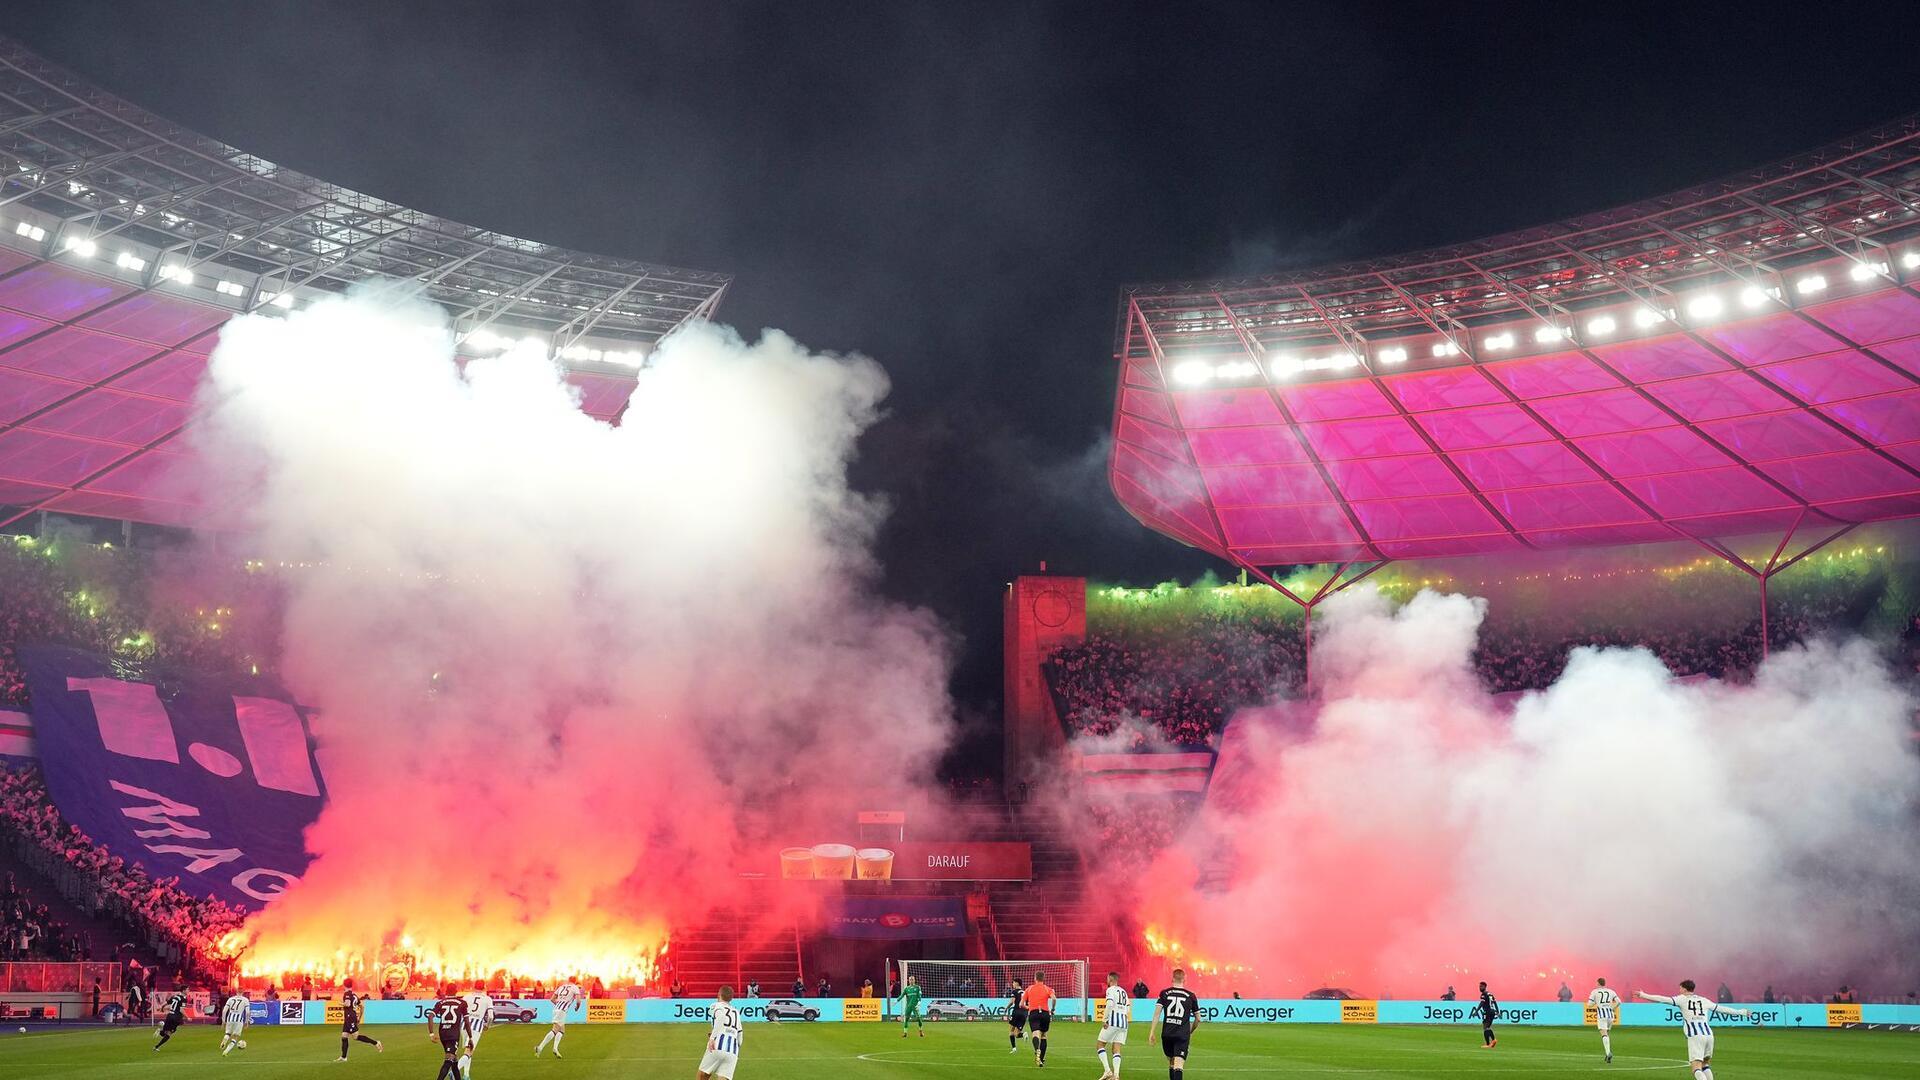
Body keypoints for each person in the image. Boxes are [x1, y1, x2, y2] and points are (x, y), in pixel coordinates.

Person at [1638, 979, 1755, 1080]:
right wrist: (1741, 1012)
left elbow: (1662, 999)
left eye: (1680, 989)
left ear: (1684, 989)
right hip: (1709, 1035)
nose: (1679, 991)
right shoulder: (1704, 1000)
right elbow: (1722, 1009)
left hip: (1696, 1036)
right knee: (1705, 1064)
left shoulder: (1682, 999)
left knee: (1696, 1067)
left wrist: (1644, 995)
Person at [1149, 967, 1200, 1080]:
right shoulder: (1191, 995)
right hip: (1182, 1034)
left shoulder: (1164, 993)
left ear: (1172, 979)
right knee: (1178, 1064)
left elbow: (1157, 1014)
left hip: (1167, 1034)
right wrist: (1190, 1031)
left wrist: (1152, 1032)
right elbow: (1198, 1018)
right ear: (1184, 979)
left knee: (1172, 1062)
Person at [697, 985, 744, 1080]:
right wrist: (736, 1048)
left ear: (719, 994)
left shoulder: (716, 1006)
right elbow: (740, 1034)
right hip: (733, 1050)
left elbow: (721, 1019)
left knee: (702, 1076)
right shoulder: (736, 1011)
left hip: (717, 1045)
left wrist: (712, 1038)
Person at [426, 989, 470, 1080]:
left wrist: (431, 1034)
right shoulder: (462, 1003)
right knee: (449, 1059)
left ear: (446, 991)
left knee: (454, 1061)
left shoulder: (440, 1002)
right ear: (456, 991)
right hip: (453, 1035)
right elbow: (466, 1021)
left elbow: (430, 1016)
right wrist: (470, 1037)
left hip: (443, 1033)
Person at [337, 979, 384, 1060]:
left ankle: (376, 1043)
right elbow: (362, 1006)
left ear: (344, 985)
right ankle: (343, 1057)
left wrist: (340, 1003)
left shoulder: (347, 994)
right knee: (344, 1036)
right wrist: (359, 1017)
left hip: (350, 1017)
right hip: (351, 1017)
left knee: (355, 1037)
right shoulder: (354, 995)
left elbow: (347, 1004)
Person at [536, 975, 582, 1058]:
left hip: (556, 1009)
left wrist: (559, 1005)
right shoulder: (575, 987)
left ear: (568, 980)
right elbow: (578, 1001)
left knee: (562, 1030)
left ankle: (555, 1049)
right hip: (562, 1010)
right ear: (575, 981)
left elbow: (552, 999)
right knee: (555, 1029)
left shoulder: (561, 987)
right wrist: (577, 1007)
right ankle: (540, 1047)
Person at [1096, 971, 1130, 1078]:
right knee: (1116, 1049)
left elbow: (1110, 1004)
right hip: (1123, 1023)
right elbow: (1128, 1007)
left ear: (1110, 979)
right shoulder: (1123, 991)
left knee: (1100, 1045)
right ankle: (1116, 1075)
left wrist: (1105, 1019)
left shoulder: (1110, 990)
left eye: (1107, 978)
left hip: (1113, 1021)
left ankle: (1107, 1071)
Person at [1023, 972, 1057, 1066]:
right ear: (1043, 978)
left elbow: (1021, 1004)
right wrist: (1053, 1009)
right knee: (1043, 1036)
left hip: (1034, 1013)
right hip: (1045, 1013)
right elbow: (1054, 999)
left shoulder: (1029, 989)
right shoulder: (1047, 988)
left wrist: (1028, 1007)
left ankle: (1037, 1049)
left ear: (1035, 978)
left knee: (1035, 1034)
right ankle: (1041, 1059)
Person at [461, 984, 495, 1078]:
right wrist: (487, 1025)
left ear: (474, 987)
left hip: (464, 1024)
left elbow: (459, 1011)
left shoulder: (467, 996)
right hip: (476, 1026)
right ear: (484, 988)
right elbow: (491, 1016)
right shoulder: (487, 999)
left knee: (467, 1050)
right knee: (469, 1051)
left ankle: (466, 1075)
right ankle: (454, 1070)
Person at [1587, 977, 1621, 1063]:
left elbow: (1589, 1005)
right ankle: (1607, 1054)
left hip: (1602, 1015)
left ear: (1598, 983)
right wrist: (1613, 1008)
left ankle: (1608, 1053)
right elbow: (1619, 1002)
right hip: (1610, 1015)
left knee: (1604, 1034)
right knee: (1607, 1034)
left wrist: (1596, 1002)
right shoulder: (1611, 991)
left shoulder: (1594, 992)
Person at [218, 991, 250, 1056]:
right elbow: (247, 1012)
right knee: (235, 1036)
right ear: (242, 992)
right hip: (238, 1020)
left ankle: (226, 1038)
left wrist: (223, 1021)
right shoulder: (245, 1000)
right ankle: (225, 1052)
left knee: (228, 1033)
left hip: (230, 1018)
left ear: (236, 992)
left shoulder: (230, 999)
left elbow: (224, 1010)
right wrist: (246, 1022)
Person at [1006, 978, 1028, 1054]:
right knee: (1017, 1034)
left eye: (1013, 983)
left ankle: (1014, 1048)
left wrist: (1006, 1008)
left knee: (1011, 1031)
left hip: (1016, 1012)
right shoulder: (1025, 992)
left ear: (1017, 983)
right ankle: (1023, 1034)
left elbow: (1012, 1002)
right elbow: (1028, 1004)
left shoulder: (1014, 991)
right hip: (1024, 1013)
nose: (1013, 984)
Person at [900, 973, 925, 1039]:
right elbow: (901, 996)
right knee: (906, 1019)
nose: (911, 980)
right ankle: (905, 1033)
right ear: (908, 980)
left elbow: (919, 996)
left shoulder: (917, 987)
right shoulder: (906, 989)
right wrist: (897, 1000)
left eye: (912, 979)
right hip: (908, 1006)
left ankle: (921, 1031)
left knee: (919, 1018)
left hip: (915, 1006)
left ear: (914, 980)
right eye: (910, 979)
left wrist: (919, 1002)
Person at [1475, 981, 1499, 1048]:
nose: (1480, 988)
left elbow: (1482, 1003)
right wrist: (1497, 1011)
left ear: (1485, 987)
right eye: (1479, 986)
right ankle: (1490, 1043)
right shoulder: (1490, 994)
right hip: (1492, 1012)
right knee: (1486, 1027)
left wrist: (1476, 1011)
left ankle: (1492, 1041)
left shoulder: (1484, 994)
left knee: (1486, 1027)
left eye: (1481, 986)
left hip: (1488, 1012)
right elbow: (1495, 1003)